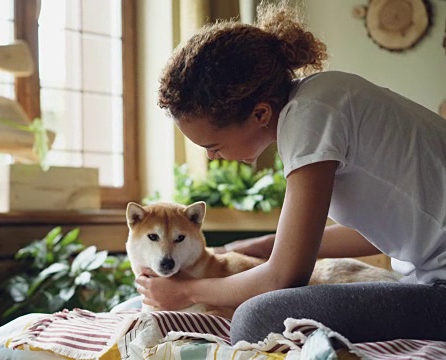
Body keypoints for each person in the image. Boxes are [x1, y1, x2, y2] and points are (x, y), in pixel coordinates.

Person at [135, 1, 446, 345]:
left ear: (260, 113)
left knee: (257, 317)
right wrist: (258, 247)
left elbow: (285, 276)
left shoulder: (309, 118)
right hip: (429, 279)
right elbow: (385, 230)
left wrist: (185, 291)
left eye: (213, 143)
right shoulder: (320, 99)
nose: (211, 155)